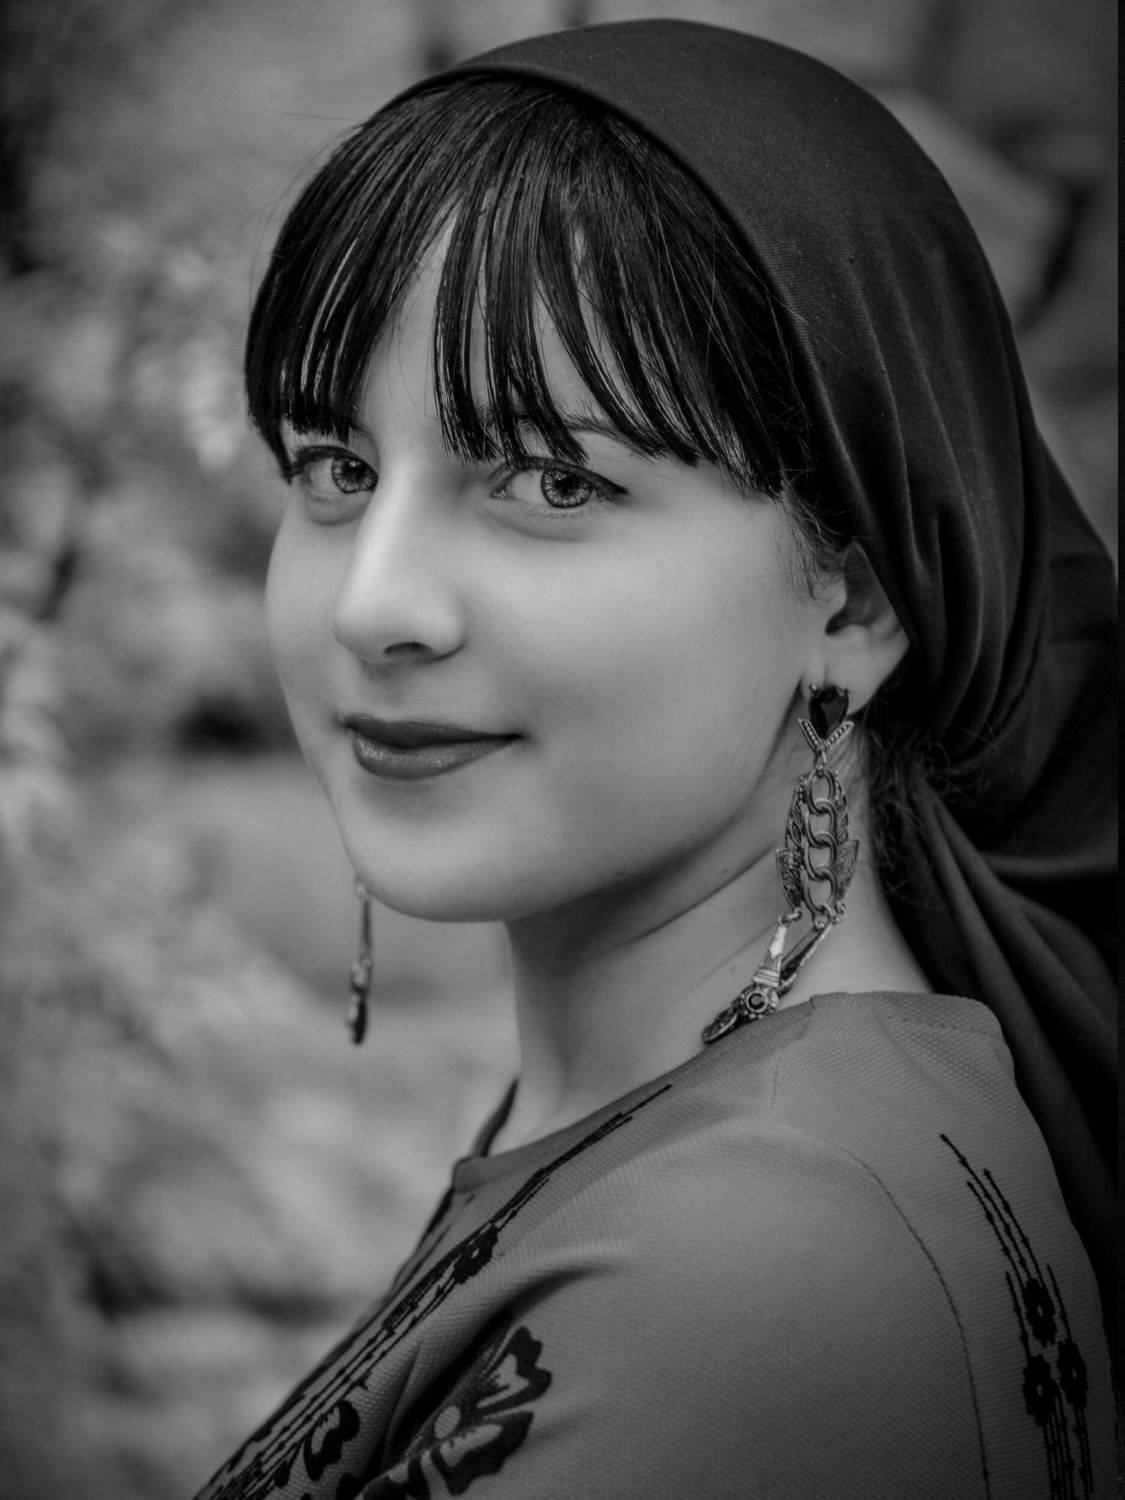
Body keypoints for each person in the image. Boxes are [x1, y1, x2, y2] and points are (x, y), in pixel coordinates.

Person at [194, 19, 1116, 1499]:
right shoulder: (709, 1137)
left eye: (553, 480)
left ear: (856, 597)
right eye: (336, 468)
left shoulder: (763, 1271)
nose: (372, 604)